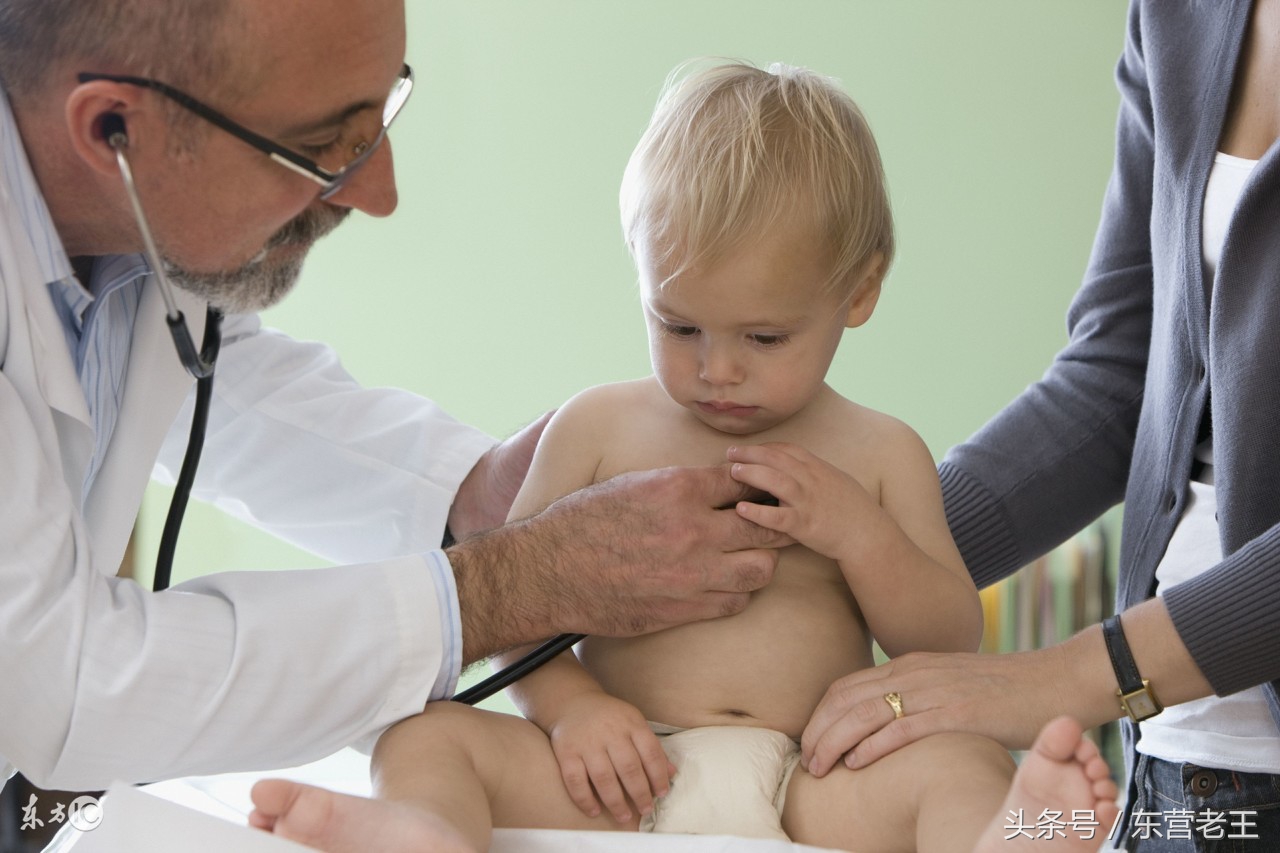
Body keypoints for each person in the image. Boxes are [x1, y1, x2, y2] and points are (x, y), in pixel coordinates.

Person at [250, 60, 1119, 853]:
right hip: (621, 774)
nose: (717, 369)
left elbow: (947, 641)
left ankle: (1009, 836)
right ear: (640, 270)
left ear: (858, 292)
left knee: (959, 759)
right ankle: (426, 832)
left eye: (765, 335)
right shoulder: (597, 428)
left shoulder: (880, 451)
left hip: (809, 776)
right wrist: (577, 711)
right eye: (679, 325)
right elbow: (509, 613)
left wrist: (859, 534)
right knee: (423, 732)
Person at [0, 0, 786, 800]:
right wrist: (507, 586)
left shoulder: (135, 242)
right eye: (320, 148)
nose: (379, 192)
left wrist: (471, 492)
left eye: (377, 122)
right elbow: (63, 684)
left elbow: (217, 381)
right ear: (111, 132)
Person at [772, 0, 1280, 849]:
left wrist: (1074, 675)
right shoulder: (1178, 14)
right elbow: (1120, 374)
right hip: (1175, 762)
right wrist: (844, 559)